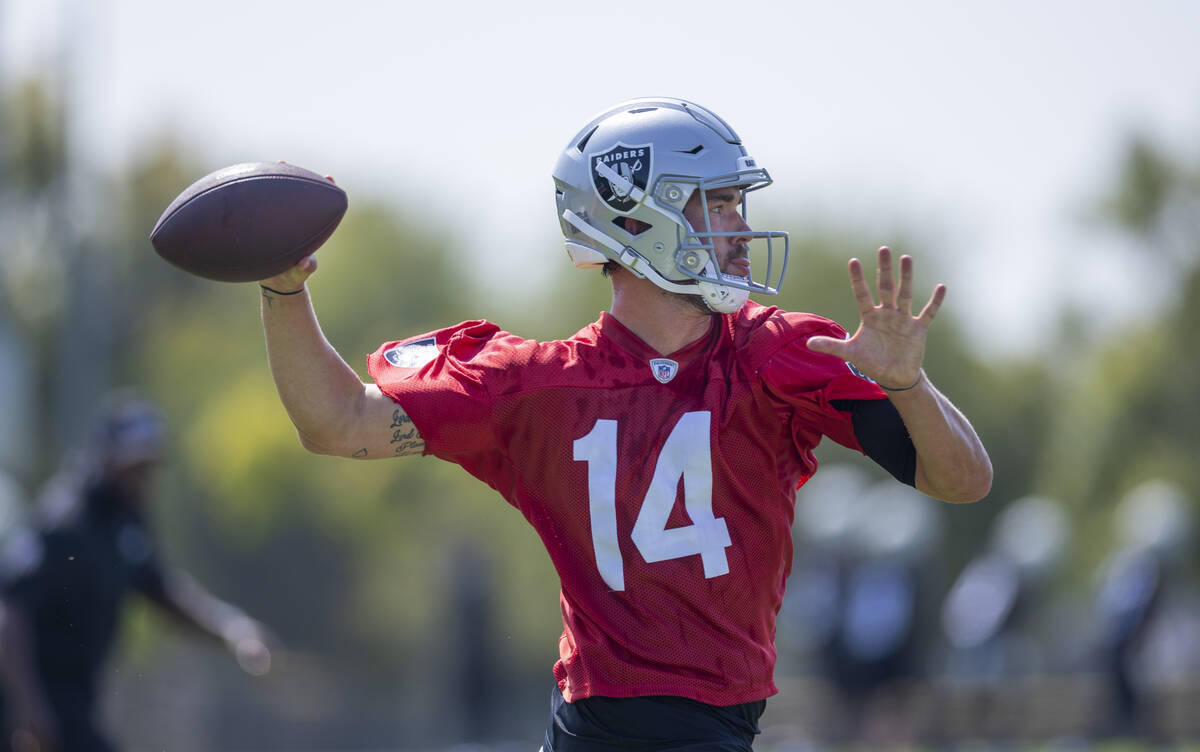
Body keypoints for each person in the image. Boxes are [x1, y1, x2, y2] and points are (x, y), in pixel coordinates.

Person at [255, 98, 992, 750]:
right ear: (638, 219)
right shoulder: (536, 385)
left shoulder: (779, 354)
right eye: (719, 205)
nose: (741, 229)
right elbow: (336, 421)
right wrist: (283, 289)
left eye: (740, 204)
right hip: (597, 726)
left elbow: (962, 481)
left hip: (699, 729)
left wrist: (911, 386)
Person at [0, 393, 276, 752]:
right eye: (133, 466)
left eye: (148, 467)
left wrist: (233, 630)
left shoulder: (126, 525)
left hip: (70, 707)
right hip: (26, 705)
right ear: (105, 458)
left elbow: (164, 593)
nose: (143, 478)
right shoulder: (64, 523)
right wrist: (27, 708)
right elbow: (8, 614)